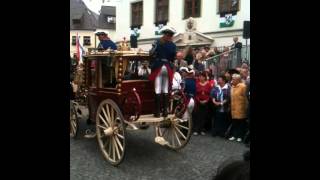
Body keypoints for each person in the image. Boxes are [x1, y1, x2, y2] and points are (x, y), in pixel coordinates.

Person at [149, 26, 177, 118]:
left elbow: (151, 53)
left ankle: (157, 112)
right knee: (165, 89)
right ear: (170, 35)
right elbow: (173, 58)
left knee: (157, 89)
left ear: (164, 34)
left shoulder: (158, 42)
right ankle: (165, 111)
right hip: (167, 67)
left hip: (159, 66)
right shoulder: (173, 45)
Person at [229, 74, 248, 142]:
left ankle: (240, 136)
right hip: (233, 108)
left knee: (241, 123)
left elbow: (245, 98)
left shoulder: (243, 86)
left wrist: (246, 107)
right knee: (235, 122)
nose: (232, 80)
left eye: (233, 79)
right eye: (232, 79)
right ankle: (234, 135)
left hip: (240, 108)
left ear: (238, 80)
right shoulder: (232, 87)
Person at [194, 71, 212, 136]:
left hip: (206, 102)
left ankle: (201, 129)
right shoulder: (197, 84)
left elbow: (210, 94)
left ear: (205, 77)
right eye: (200, 76)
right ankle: (196, 130)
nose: (200, 78)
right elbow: (195, 94)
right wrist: (199, 100)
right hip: (198, 102)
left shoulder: (208, 84)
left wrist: (206, 100)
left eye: (202, 76)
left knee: (204, 116)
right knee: (197, 116)